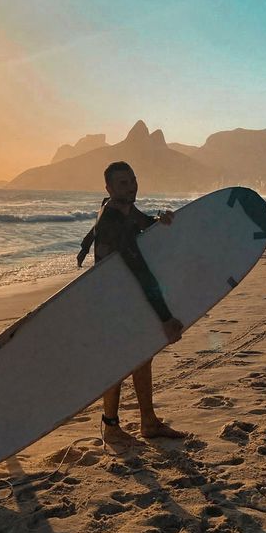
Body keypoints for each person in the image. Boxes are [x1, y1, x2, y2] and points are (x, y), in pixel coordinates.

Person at [78, 161, 185, 444]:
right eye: (123, 183)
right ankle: (111, 426)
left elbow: (141, 221)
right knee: (119, 361)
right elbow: (140, 270)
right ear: (109, 188)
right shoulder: (114, 222)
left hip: (122, 298)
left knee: (141, 355)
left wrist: (158, 221)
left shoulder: (121, 207)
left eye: (133, 180)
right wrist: (165, 317)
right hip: (113, 302)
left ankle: (148, 421)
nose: (131, 186)